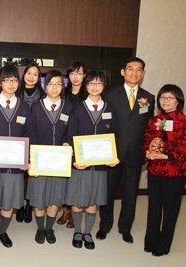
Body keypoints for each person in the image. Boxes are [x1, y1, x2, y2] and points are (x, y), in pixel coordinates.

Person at [96, 57, 155, 244]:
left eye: (139, 70)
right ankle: (105, 226)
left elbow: (150, 128)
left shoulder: (148, 98)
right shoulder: (110, 95)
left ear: (143, 74)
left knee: (130, 194)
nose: (134, 73)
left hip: (135, 154)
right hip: (112, 153)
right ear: (123, 71)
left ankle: (125, 228)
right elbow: (104, 124)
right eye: (130, 69)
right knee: (108, 193)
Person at [0, 65, 32, 251]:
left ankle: (3, 231)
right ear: (0, 83)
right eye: (7, 80)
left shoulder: (24, 106)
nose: (11, 84)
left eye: (15, 81)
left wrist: (27, 159)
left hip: (15, 167)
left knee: (9, 202)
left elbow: (28, 135)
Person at [143, 84, 186, 256]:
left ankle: (163, 245)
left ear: (178, 101)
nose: (165, 101)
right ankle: (151, 241)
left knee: (170, 211)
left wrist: (165, 156)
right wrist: (147, 153)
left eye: (170, 98)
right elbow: (147, 141)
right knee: (153, 207)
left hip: (174, 173)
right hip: (154, 171)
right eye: (162, 97)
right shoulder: (154, 121)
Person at [66, 70, 117, 250]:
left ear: (104, 86)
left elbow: (114, 137)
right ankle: (77, 231)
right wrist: (73, 159)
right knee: (78, 202)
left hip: (100, 167)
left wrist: (113, 157)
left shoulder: (110, 109)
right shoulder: (77, 109)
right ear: (86, 86)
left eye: (99, 83)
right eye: (91, 83)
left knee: (93, 203)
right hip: (81, 166)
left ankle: (87, 232)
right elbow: (70, 136)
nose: (95, 87)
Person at [27, 70, 74, 244]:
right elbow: (30, 134)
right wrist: (31, 158)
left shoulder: (69, 107)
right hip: (40, 161)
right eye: (51, 84)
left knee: (55, 197)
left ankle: (49, 228)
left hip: (60, 162)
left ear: (63, 86)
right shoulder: (36, 107)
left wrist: (68, 143)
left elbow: (72, 131)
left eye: (58, 84)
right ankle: (40, 228)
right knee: (39, 198)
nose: (54, 88)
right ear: (44, 86)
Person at [58, 61, 87, 228]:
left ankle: (73, 215)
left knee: (76, 180)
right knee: (65, 179)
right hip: (65, 141)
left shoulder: (88, 94)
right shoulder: (63, 94)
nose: (76, 77)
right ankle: (65, 211)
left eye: (79, 73)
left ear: (84, 75)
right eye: (72, 73)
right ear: (68, 76)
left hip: (82, 143)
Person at [15, 63, 45, 224]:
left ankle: (28, 205)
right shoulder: (15, 92)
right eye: (29, 73)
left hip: (37, 139)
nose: (31, 76)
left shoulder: (43, 96)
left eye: (35, 74)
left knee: (32, 174)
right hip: (18, 140)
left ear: (38, 78)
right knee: (20, 174)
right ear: (24, 75)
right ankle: (19, 205)